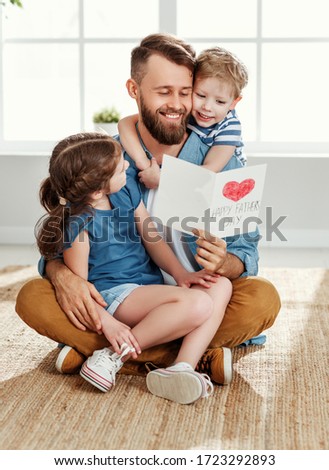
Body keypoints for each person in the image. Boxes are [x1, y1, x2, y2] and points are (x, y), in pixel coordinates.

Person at [15, 33, 281, 387]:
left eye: (185, 92)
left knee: (261, 298)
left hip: (189, 288)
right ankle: (194, 353)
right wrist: (62, 276)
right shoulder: (106, 160)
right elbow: (65, 233)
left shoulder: (221, 161)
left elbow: (246, 250)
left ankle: (113, 352)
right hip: (124, 295)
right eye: (163, 91)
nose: (177, 104)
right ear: (134, 89)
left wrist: (225, 263)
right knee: (34, 295)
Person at [35, 131, 232, 404]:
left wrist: (181, 274)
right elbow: (82, 289)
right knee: (198, 304)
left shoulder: (126, 188)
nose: (127, 165)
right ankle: (112, 356)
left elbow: (152, 237)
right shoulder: (79, 226)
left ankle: (181, 368)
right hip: (115, 295)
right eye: (119, 168)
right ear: (97, 190)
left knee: (221, 284)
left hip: (147, 289)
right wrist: (109, 324)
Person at [118, 46, 248, 189]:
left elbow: (210, 170)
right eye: (200, 95)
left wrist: (163, 180)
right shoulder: (188, 111)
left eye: (220, 102)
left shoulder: (229, 127)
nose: (207, 107)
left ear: (234, 103)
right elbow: (124, 123)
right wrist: (142, 161)